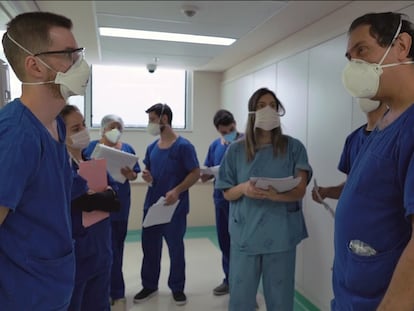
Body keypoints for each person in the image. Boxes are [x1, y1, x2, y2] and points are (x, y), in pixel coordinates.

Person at [0, 11, 90, 310]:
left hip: (53, 283)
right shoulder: (17, 135)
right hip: (25, 295)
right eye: (68, 54)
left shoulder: (57, 125)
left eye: (78, 53)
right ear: (34, 65)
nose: (79, 63)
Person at [332, 12, 414, 310]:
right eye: (349, 57)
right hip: (352, 291)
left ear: (402, 46)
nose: (354, 66)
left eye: (362, 51)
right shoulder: (382, 125)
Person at [216, 88, 312, 311]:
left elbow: (300, 190)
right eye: (261, 105)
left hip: (281, 234)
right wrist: (244, 188)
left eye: (272, 105)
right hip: (245, 235)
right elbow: (226, 192)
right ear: (251, 112)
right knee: (241, 299)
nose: (267, 110)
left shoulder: (294, 148)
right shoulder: (236, 151)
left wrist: (276, 195)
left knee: (280, 299)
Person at [134, 103, 200, 306]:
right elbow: (152, 173)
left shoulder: (184, 147)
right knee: (150, 249)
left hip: (174, 209)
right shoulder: (152, 148)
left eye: (152, 119)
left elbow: (195, 173)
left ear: (164, 119)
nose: (150, 124)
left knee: (175, 250)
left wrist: (177, 190)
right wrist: (148, 177)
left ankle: (177, 288)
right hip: (152, 207)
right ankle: (149, 285)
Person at [61, 105, 121, 311]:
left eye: (84, 125)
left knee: (99, 304)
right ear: (60, 132)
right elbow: (82, 202)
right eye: (75, 128)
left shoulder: (93, 164)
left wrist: (97, 197)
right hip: (77, 256)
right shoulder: (60, 168)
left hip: (101, 251)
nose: (83, 131)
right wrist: (100, 197)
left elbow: (115, 200)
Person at [83, 114, 140, 308]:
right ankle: (102, 291)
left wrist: (130, 174)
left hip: (120, 207)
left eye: (119, 127)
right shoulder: (91, 148)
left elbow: (134, 175)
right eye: (112, 127)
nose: (116, 131)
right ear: (103, 129)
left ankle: (117, 292)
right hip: (98, 207)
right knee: (102, 251)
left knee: (117, 250)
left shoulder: (127, 149)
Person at [311, 98, 388, 204]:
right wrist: (328, 191)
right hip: (357, 217)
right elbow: (352, 185)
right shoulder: (353, 139)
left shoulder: (396, 136)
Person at [200, 109, 242, 296]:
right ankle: (229, 280)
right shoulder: (215, 146)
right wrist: (205, 174)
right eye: (224, 132)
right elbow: (206, 173)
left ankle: (244, 286)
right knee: (225, 242)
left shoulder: (246, 143)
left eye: (231, 129)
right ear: (218, 131)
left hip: (242, 201)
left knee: (241, 244)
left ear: (235, 123)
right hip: (221, 200)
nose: (228, 134)